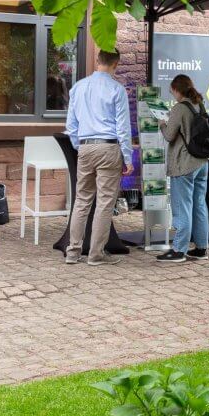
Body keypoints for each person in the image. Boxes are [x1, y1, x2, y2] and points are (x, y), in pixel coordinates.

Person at [64, 50, 133, 266]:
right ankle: (95, 254)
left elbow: (71, 125)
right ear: (116, 64)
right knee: (104, 203)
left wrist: (80, 147)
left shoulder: (78, 87)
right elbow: (123, 127)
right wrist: (127, 157)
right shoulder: (117, 89)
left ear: (97, 61)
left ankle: (72, 252)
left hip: (85, 147)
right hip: (108, 147)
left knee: (81, 200)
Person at [156, 74, 209, 263]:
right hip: (201, 162)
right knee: (199, 204)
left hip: (184, 164)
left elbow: (169, 135)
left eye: (172, 91)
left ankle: (179, 250)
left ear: (177, 90)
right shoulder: (199, 104)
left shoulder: (179, 108)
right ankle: (201, 248)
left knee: (182, 207)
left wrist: (162, 124)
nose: (173, 95)